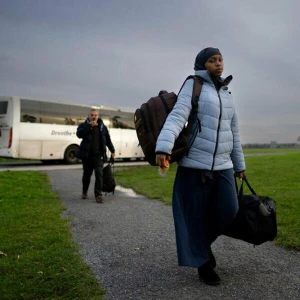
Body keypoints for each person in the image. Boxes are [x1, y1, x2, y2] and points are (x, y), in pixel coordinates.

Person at [155, 47, 246, 286]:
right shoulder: (193, 85)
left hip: (224, 164)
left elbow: (233, 131)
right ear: (202, 64)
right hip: (195, 164)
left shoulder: (227, 92)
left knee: (229, 210)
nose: (218, 64)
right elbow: (177, 116)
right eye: (212, 60)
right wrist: (163, 147)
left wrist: (239, 164)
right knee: (194, 216)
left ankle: (201, 247)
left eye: (220, 59)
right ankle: (204, 264)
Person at [76, 108, 115, 203]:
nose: (94, 116)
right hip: (87, 156)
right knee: (86, 175)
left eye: (95, 115)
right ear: (89, 116)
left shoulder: (102, 127)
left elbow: (108, 139)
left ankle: (98, 195)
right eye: (92, 115)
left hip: (99, 156)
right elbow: (79, 134)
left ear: (98, 116)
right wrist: (88, 127)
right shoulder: (83, 125)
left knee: (99, 174)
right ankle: (85, 191)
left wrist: (112, 150)